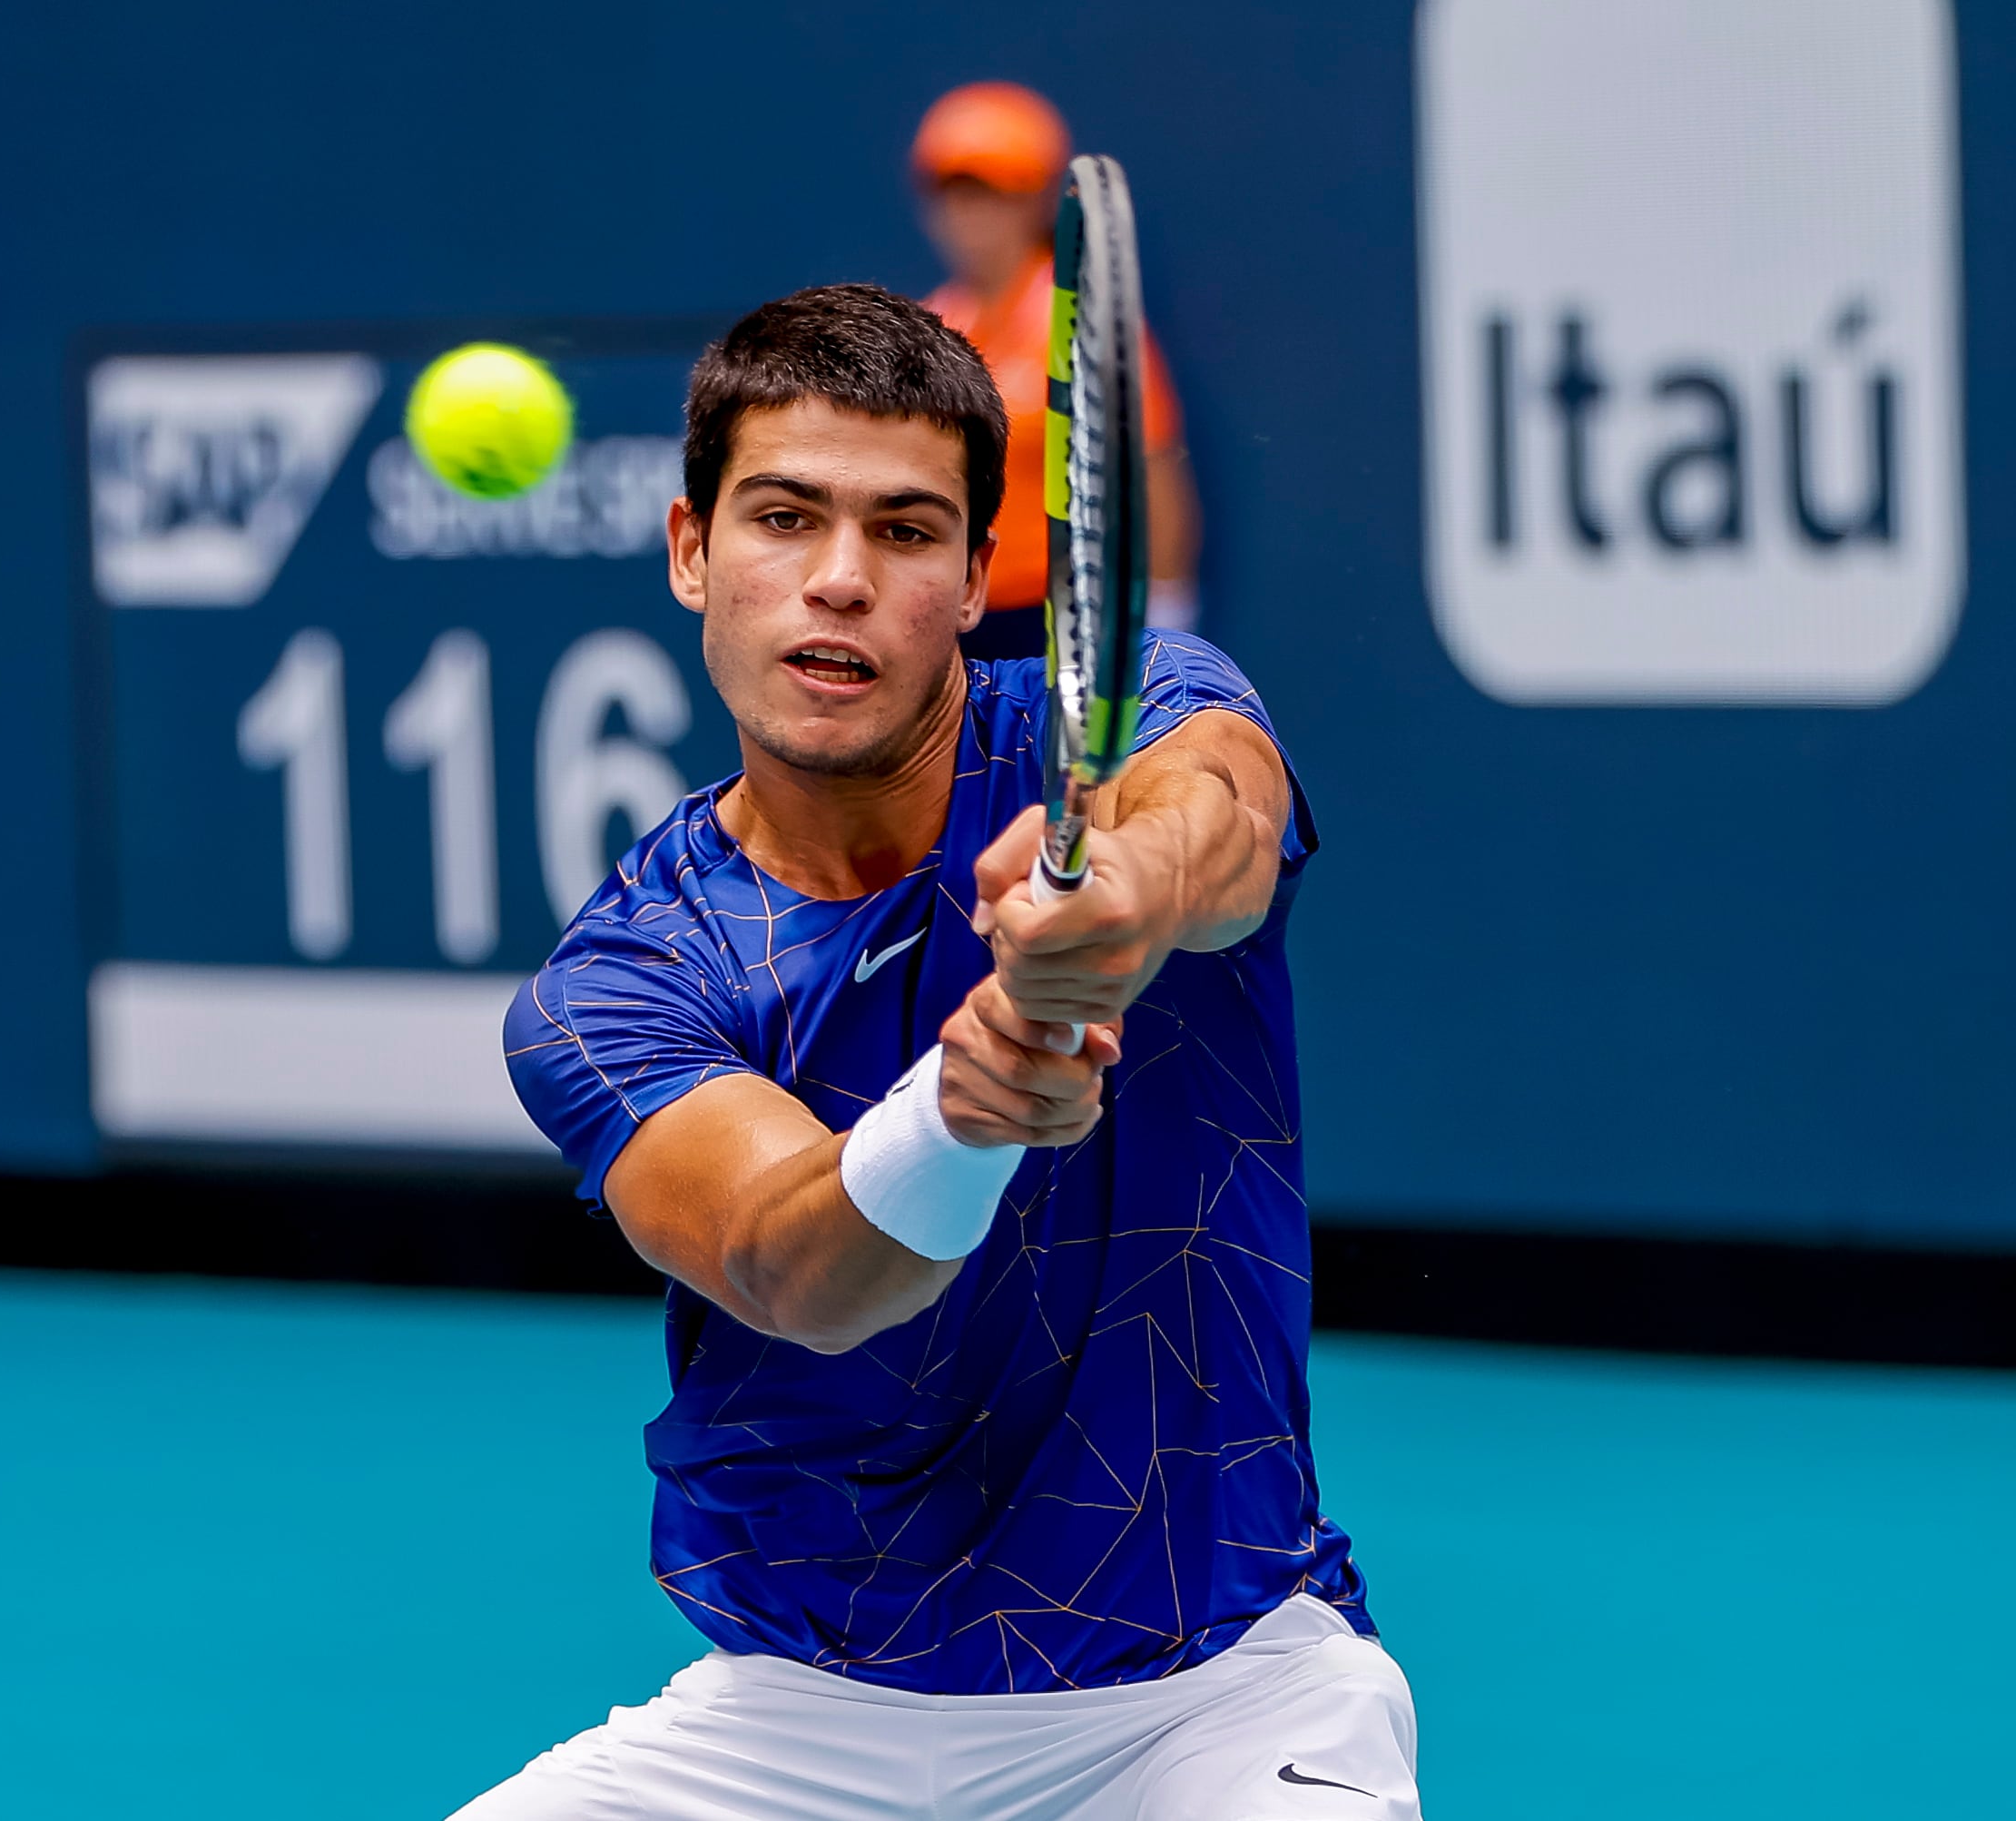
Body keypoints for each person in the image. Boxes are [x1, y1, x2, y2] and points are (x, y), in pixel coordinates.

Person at [467, 285, 1416, 1819]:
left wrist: (1121, 889)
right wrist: (965, 1112)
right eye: (782, 518)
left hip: (1216, 1701)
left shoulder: (1125, 723)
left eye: (905, 532)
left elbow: (1215, 819)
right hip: (789, 1727)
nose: (838, 580)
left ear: (980, 575)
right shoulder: (621, 981)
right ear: (690, 549)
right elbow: (795, 1272)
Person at [914, 81, 1205, 660]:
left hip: (1066, 611)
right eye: (956, 194)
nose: (973, 218)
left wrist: (1167, 618)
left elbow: (1151, 474)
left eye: (996, 194)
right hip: (959, 609)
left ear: (1041, 200)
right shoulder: (934, 321)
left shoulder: (1083, 319)